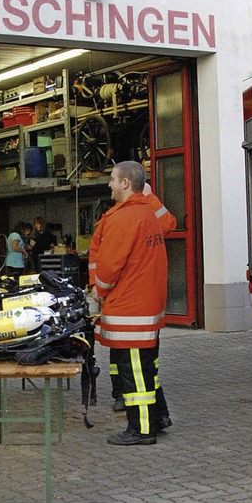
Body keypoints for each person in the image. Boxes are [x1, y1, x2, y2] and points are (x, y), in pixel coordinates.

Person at [91, 161, 169, 446]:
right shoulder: (147, 213)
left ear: (125, 183)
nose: (109, 184)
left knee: (134, 372)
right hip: (146, 307)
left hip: (130, 309)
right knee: (146, 369)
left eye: (113, 179)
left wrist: (98, 291)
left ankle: (142, 429)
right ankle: (157, 418)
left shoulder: (123, 218)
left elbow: (110, 267)